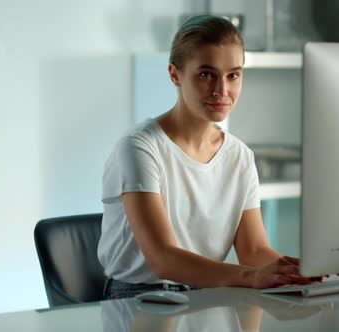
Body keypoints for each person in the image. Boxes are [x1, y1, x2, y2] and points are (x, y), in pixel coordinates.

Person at [98, 15, 311, 300]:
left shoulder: (239, 156)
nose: (222, 90)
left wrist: (294, 272)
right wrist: (250, 276)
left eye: (233, 75)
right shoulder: (139, 149)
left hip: (207, 293)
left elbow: (254, 250)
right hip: (138, 297)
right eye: (206, 74)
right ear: (175, 75)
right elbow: (163, 259)